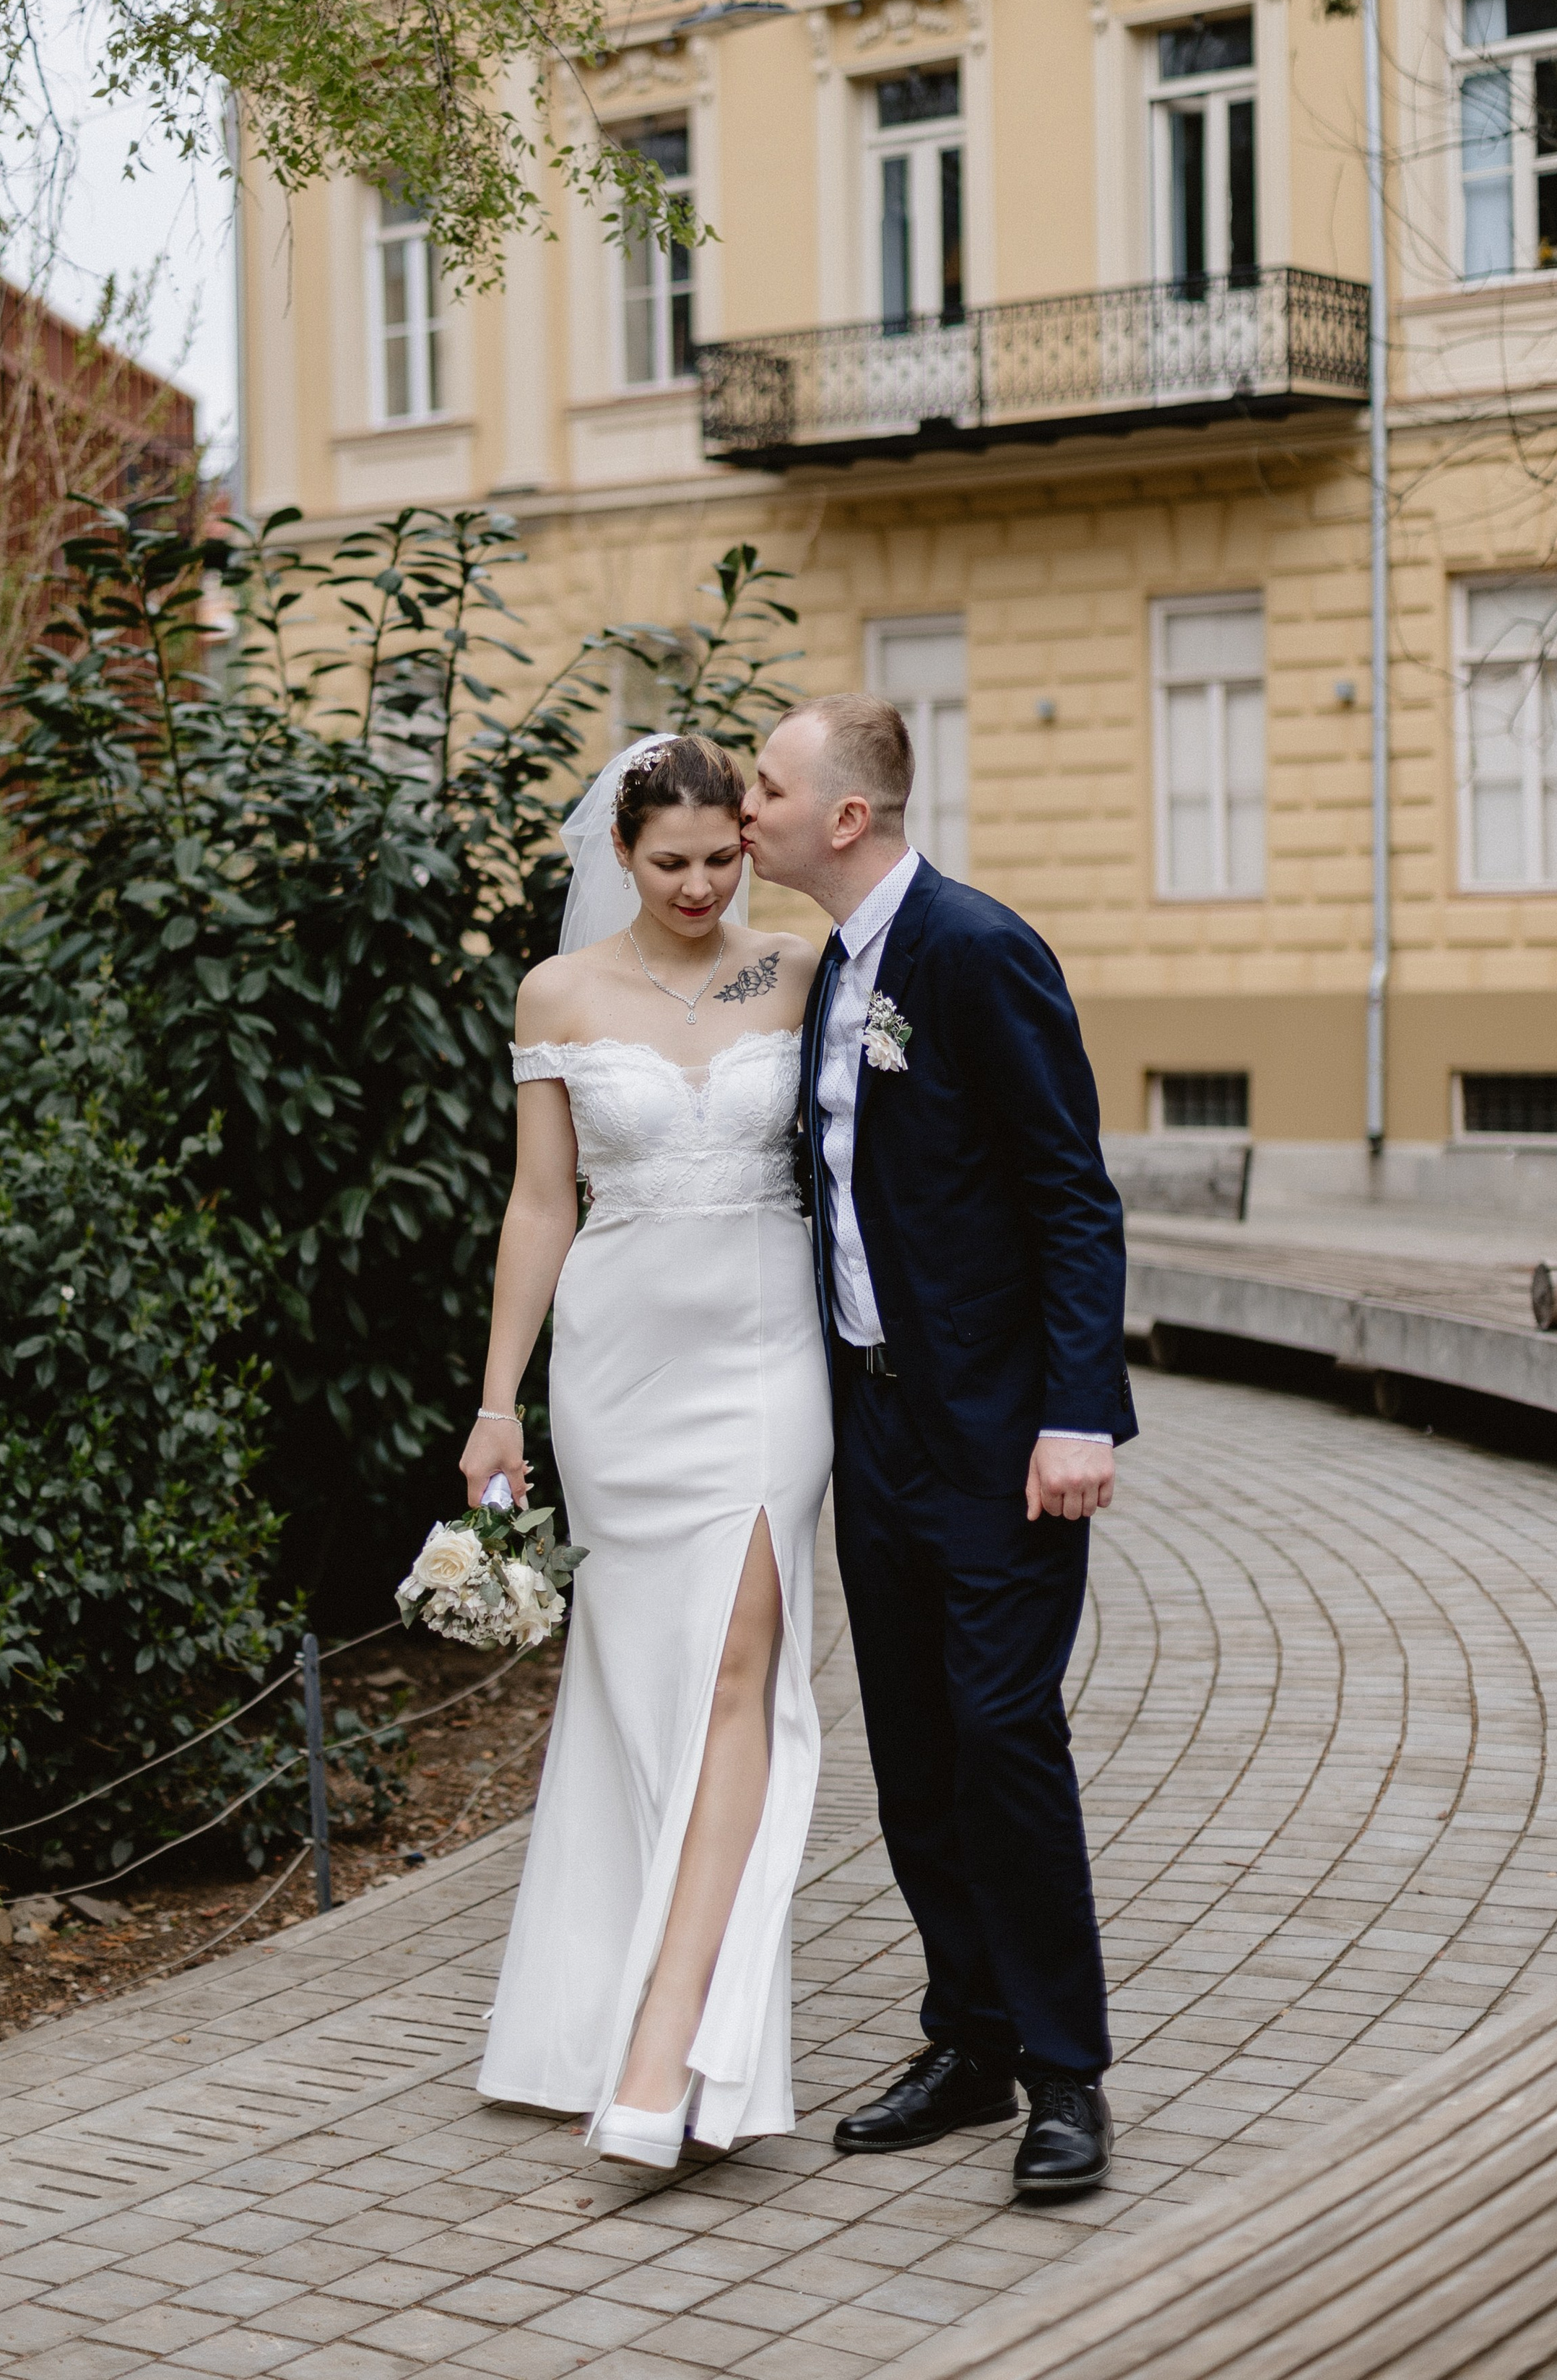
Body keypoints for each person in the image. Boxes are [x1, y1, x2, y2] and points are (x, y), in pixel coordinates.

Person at [740, 694, 1135, 2196]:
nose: (747, 805)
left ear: (845, 817)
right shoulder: (831, 967)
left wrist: (1074, 1409)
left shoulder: (974, 950)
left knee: (998, 1733)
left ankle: (1063, 2075)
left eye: (769, 785)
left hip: (997, 1433)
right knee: (910, 1743)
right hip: (873, 1419)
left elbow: (1067, 1192)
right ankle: (966, 2037)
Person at [469, 732, 833, 2166]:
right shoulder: (558, 991)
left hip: (766, 1356)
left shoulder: (797, 971)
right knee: (637, 1693)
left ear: (747, 844)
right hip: (615, 1370)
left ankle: (668, 2045)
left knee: (744, 1662)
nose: (696, 885)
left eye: (720, 858)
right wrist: (497, 1404)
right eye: (667, 862)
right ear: (617, 856)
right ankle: (588, 2011)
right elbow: (538, 1208)